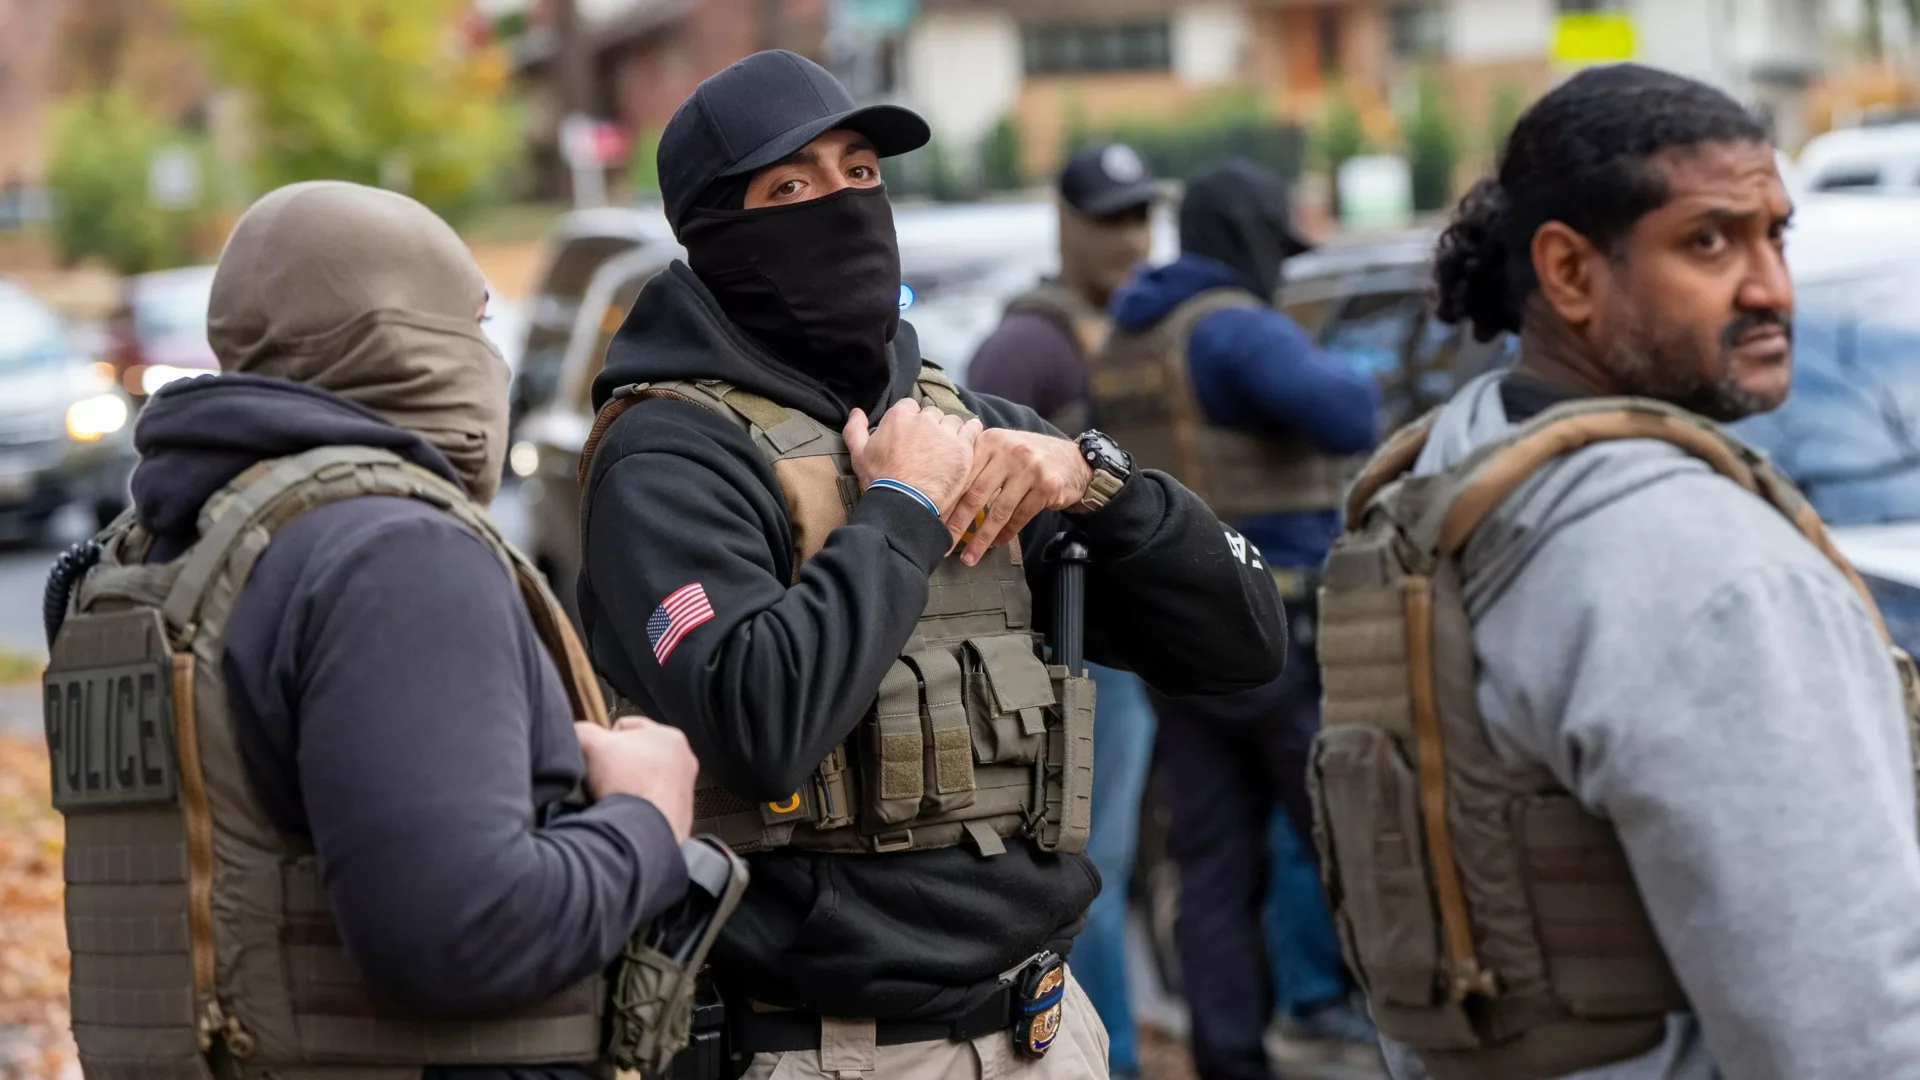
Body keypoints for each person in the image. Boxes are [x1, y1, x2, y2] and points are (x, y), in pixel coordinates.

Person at [575, 49, 1289, 1079]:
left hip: (1045, 1030)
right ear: (714, 233)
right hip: (828, 1046)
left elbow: (1245, 642)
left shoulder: (973, 424)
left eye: (861, 173)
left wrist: (1099, 482)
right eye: (792, 189)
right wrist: (903, 509)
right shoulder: (669, 456)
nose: (843, 206)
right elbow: (756, 724)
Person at [1315, 64, 1920, 1080]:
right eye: (1709, 242)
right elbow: (1842, 1030)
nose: (1770, 287)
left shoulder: (1454, 468)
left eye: (1776, 236)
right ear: (1569, 271)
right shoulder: (1706, 566)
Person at [41, 181, 700, 1080]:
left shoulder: (166, 550)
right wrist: (646, 817)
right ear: (402, 335)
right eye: (473, 322)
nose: (490, 358)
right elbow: (457, 933)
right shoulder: (393, 553)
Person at [1100, 158, 1382, 1080]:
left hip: (1180, 636)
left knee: (1212, 866)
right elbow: (1349, 413)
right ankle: (1388, 1036)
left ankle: (1229, 1059)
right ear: (1250, 238)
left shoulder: (1132, 336)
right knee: (1348, 843)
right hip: (1277, 627)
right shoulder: (1232, 328)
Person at [966, 140, 1162, 1080]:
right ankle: (1106, 1058)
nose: (1131, 238)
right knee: (1095, 870)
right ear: (1066, 224)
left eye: (1140, 215)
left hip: (1131, 641)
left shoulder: (1131, 327)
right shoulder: (1028, 344)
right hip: (1074, 655)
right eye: (1110, 219)